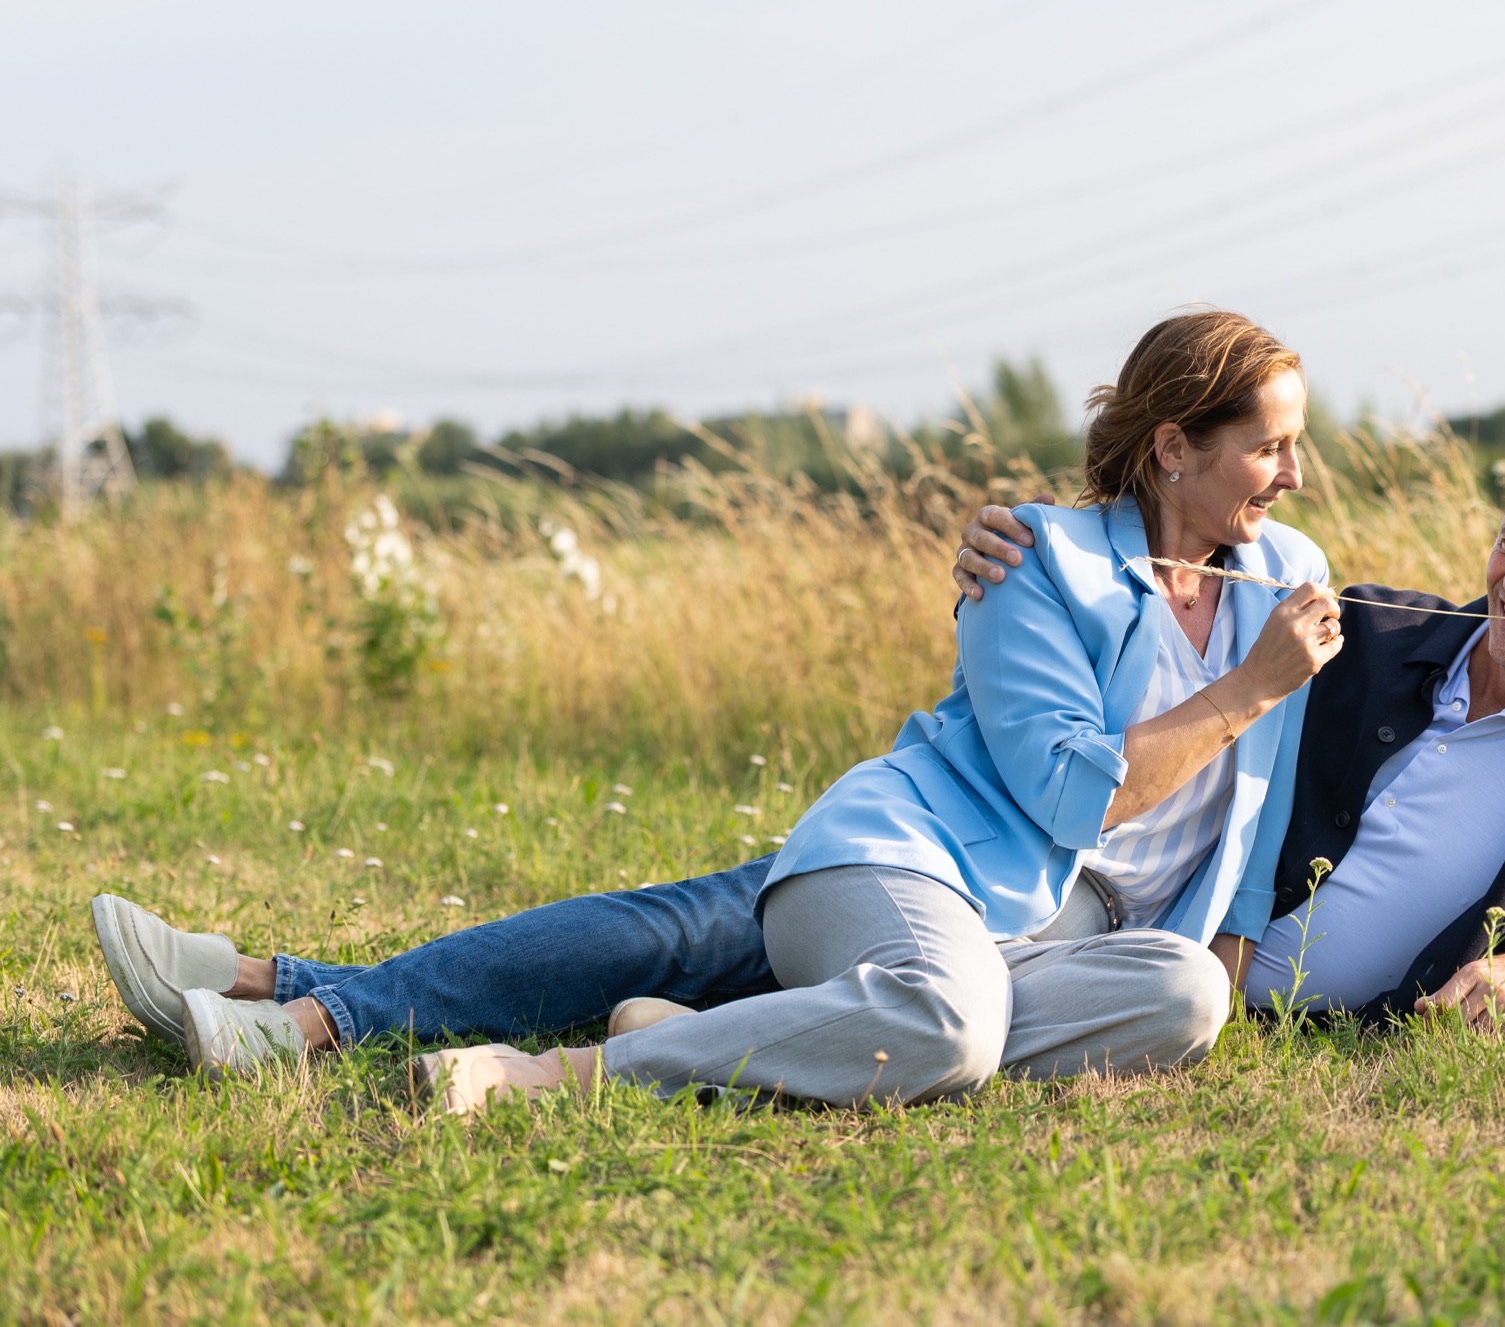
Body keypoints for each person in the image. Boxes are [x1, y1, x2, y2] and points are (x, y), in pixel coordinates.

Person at [94, 310, 1344, 1106]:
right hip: (926, 858)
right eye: (1269, 446)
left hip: (1059, 928)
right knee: (695, 931)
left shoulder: (1284, 575)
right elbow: (1076, 789)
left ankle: (735, 1031)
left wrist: (1227, 946)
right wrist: (1244, 690)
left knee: (1178, 999)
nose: (1293, 475)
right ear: (1172, 445)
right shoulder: (1034, 561)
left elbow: (1259, 798)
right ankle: (375, 1027)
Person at [958, 428, 1505, 1027]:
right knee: (946, 982)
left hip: (1198, 1003)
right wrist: (1045, 558)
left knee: (957, 1013)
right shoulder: (1371, 634)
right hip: (1136, 920)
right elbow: (1179, 607)